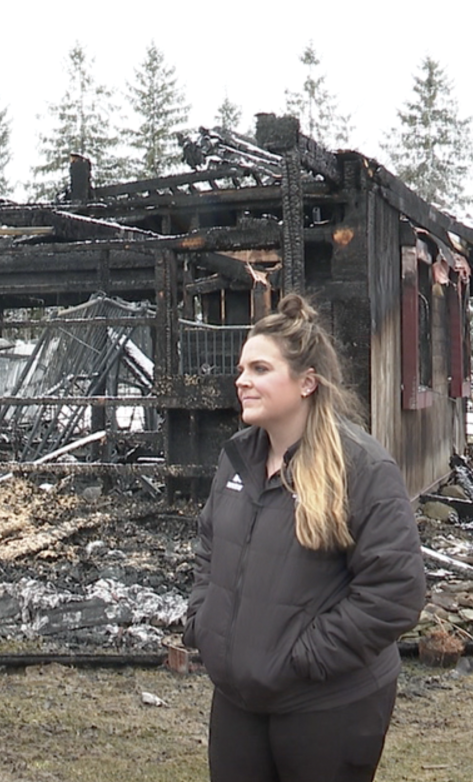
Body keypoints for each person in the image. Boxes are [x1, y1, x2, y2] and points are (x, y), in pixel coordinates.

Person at [184, 294, 425, 782]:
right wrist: (204, 622)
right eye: (241, 369)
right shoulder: (238, 460)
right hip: (238, 702)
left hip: (326, 706)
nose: (242, 380)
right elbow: (210, 547)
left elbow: (395, 592)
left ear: (307, 382)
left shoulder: (360, 467)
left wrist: (300, 657)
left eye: (259, 368)